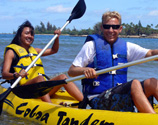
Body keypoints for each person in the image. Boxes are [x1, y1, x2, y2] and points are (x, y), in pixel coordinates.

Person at [68, 11, 158, 113]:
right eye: (107, 26)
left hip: (120, 97)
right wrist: (85, 70)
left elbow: (151, 53)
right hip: (98, 99)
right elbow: (71, 71)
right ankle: (153, 119)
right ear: (102, 28)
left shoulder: (127, 47)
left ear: (120, 29)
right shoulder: (90, 46)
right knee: (135, 84)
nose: (111, 30)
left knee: (152, 83)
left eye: (115, 27)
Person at [2, 20, 83, 103]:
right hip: (24, 91)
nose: (30, 36)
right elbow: (4, 74)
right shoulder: (11, 52)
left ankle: (85, 102)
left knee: (62, 77)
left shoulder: (35, 51)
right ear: (20, 35)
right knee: (40, 79)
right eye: (27, 33)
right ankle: (50, 105)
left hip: (41, 89)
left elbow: (53, 50)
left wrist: (56, 38)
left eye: (32, 34)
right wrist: (16, 75)